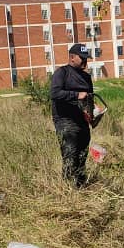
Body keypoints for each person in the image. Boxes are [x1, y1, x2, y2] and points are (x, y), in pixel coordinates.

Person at [50, 43, 95, 187]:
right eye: (82, 58)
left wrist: (91, 112)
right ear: (72, 57)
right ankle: (68, 188)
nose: (85, 61)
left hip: (81, 121)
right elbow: (55, 93)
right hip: (65, 120)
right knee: (70, 154)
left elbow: (90, 97)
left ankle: (81, 187)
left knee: (82, 155)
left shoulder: (86, 77)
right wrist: (76, 95)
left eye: (86, 58)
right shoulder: (62, 73)